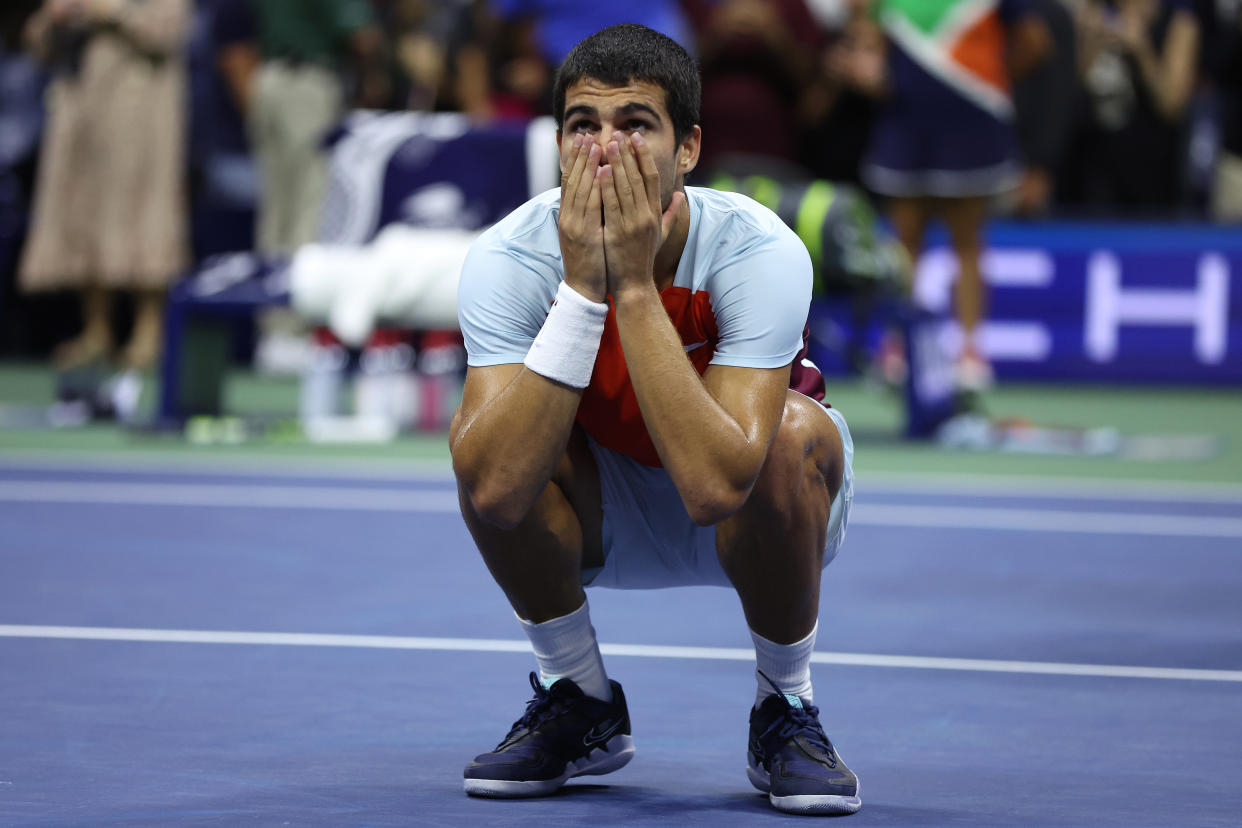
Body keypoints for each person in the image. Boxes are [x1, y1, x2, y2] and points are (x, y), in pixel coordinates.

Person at [451, 24, 861, 816]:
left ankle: (787, 707)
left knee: (789, 435)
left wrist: (631, 284)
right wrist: (580, 290)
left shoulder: (756, 249)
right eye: (583, 126)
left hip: (759, 506)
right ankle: (578, 696)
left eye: (636, 124)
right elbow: (497, 491)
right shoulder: (510, 256)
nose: (606, 150)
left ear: (688, 149)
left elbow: (717, 485)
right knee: (482, 446)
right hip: (607, 500)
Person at [862, 0, 1050, 390]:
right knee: (905, 239)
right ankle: (900, 348)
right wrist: (875, 72)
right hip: (905, 121)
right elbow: (874, 39)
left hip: (972, 122)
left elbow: (1035, 41)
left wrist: (984, 80)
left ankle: (970, 353)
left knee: (966, 239)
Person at [18, 0, 191, 372]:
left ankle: (150, 332)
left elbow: (170, 33)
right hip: (82, 108)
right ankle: (97, 331)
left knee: (145, 213)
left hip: (140, 106)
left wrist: (109, 11)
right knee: (84, 213)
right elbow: (35, 44)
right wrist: (53, 16)